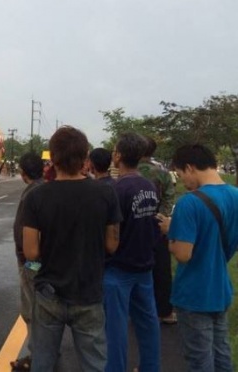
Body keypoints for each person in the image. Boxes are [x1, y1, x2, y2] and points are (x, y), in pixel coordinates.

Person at [22, 126, 121, 372]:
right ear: (85, 157)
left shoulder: (36, 197)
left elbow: (31, 252)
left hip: (48, 293)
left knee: (43, 361)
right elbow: (112, 244)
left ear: (53, 158)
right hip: (88, 291)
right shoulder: (106, 193)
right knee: (94, 363)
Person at [158, 144, 238, 371]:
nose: (182, 181)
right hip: (220, 288)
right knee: (222, 353)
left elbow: (183, 254)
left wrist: (171, 232)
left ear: (190, 167)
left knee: (199, 359)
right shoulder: (235, 196)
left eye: (181, 174)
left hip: (194, 293)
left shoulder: (189, 202)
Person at [105, 133, 161, 372]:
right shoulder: (149, 186)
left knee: (115, 328)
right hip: (145, 265)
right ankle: (150, 367)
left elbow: (112, 237)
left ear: (118, 155)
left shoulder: (117, 190)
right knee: (148, 322)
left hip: (119, 269)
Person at [10, 152, 44, 371]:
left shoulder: (31, 194)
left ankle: (37, 358)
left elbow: (24, 233)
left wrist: (26, 263)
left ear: (23, 173)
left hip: (32, 263)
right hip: (46, 261)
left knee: (32, 310)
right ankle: (45, 352)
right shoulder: (47, 189)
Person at [137, 136, 177, 325]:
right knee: (161, 268)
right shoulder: (162, 171)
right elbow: (169, 197)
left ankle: (137, 309)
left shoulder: (129, 171)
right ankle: (165, 311)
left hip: (134, 225)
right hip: (157, 225)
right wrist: (161, 217)